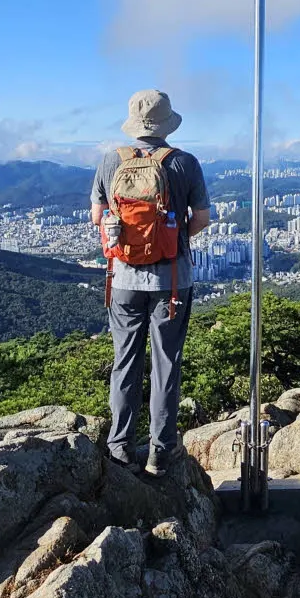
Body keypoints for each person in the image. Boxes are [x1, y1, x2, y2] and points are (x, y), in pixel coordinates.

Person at [91, 88, 210, 475]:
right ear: (166, 123)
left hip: (123, 280)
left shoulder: (112, 161)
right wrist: (172, 241)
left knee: (124, 362)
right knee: (165, 364)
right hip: (172, 280)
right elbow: (202, 218)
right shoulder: (184, 163)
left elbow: (97, 217)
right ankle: (162, 450)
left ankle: (121, 447)